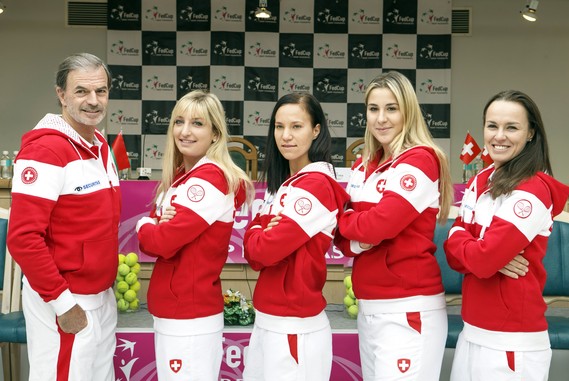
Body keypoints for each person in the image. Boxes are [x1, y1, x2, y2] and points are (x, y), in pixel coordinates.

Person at [7, 53, 121, 380]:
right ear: (61, 94)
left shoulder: (99, 144)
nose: (93, 101)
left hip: (99, 297)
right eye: (82, 91)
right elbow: (23, 239)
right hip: (66, 301)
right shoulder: (45, 151)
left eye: (101, 91)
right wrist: (63, 305)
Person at [444, 90, 569, 381]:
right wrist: (477, 249)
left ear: (530, 133)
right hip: (473, 331)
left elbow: (483, 257)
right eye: (492, 126)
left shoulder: (534, 190)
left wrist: (475, 247)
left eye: (511, 127)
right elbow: (453, 250)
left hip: (512, 341)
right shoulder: (479, 181)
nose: (499, 136)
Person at [334, 71, 453, 380]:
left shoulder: (420, 159)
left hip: (407, 308)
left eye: (392, 108)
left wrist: (356, 228)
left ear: (407, 111)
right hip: (370, 306)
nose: (381, 118)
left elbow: (379, 225)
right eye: (374, 109)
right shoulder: (364, 163)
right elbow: (341, 236)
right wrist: (359, 236)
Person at [135, 90, 253, 380]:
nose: (184, 131)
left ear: (215, 134)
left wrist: (144, 225)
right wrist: (156, 224)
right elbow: (159, 236)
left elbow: (160, 242)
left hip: (189, 315)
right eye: (179, 121)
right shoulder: (180, 176)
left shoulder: (210, 177)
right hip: (176, 312)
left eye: (197, 124)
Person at [242, 93, 349, 381]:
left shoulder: (317, 185)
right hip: (269, 320)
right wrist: (260, 228)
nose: (286, 136)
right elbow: (252, 251)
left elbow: (263, 251)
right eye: (279, 127)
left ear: (316, 130)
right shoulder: (282, 185)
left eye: (296, 126)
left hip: (295, 328)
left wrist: (258, 228)